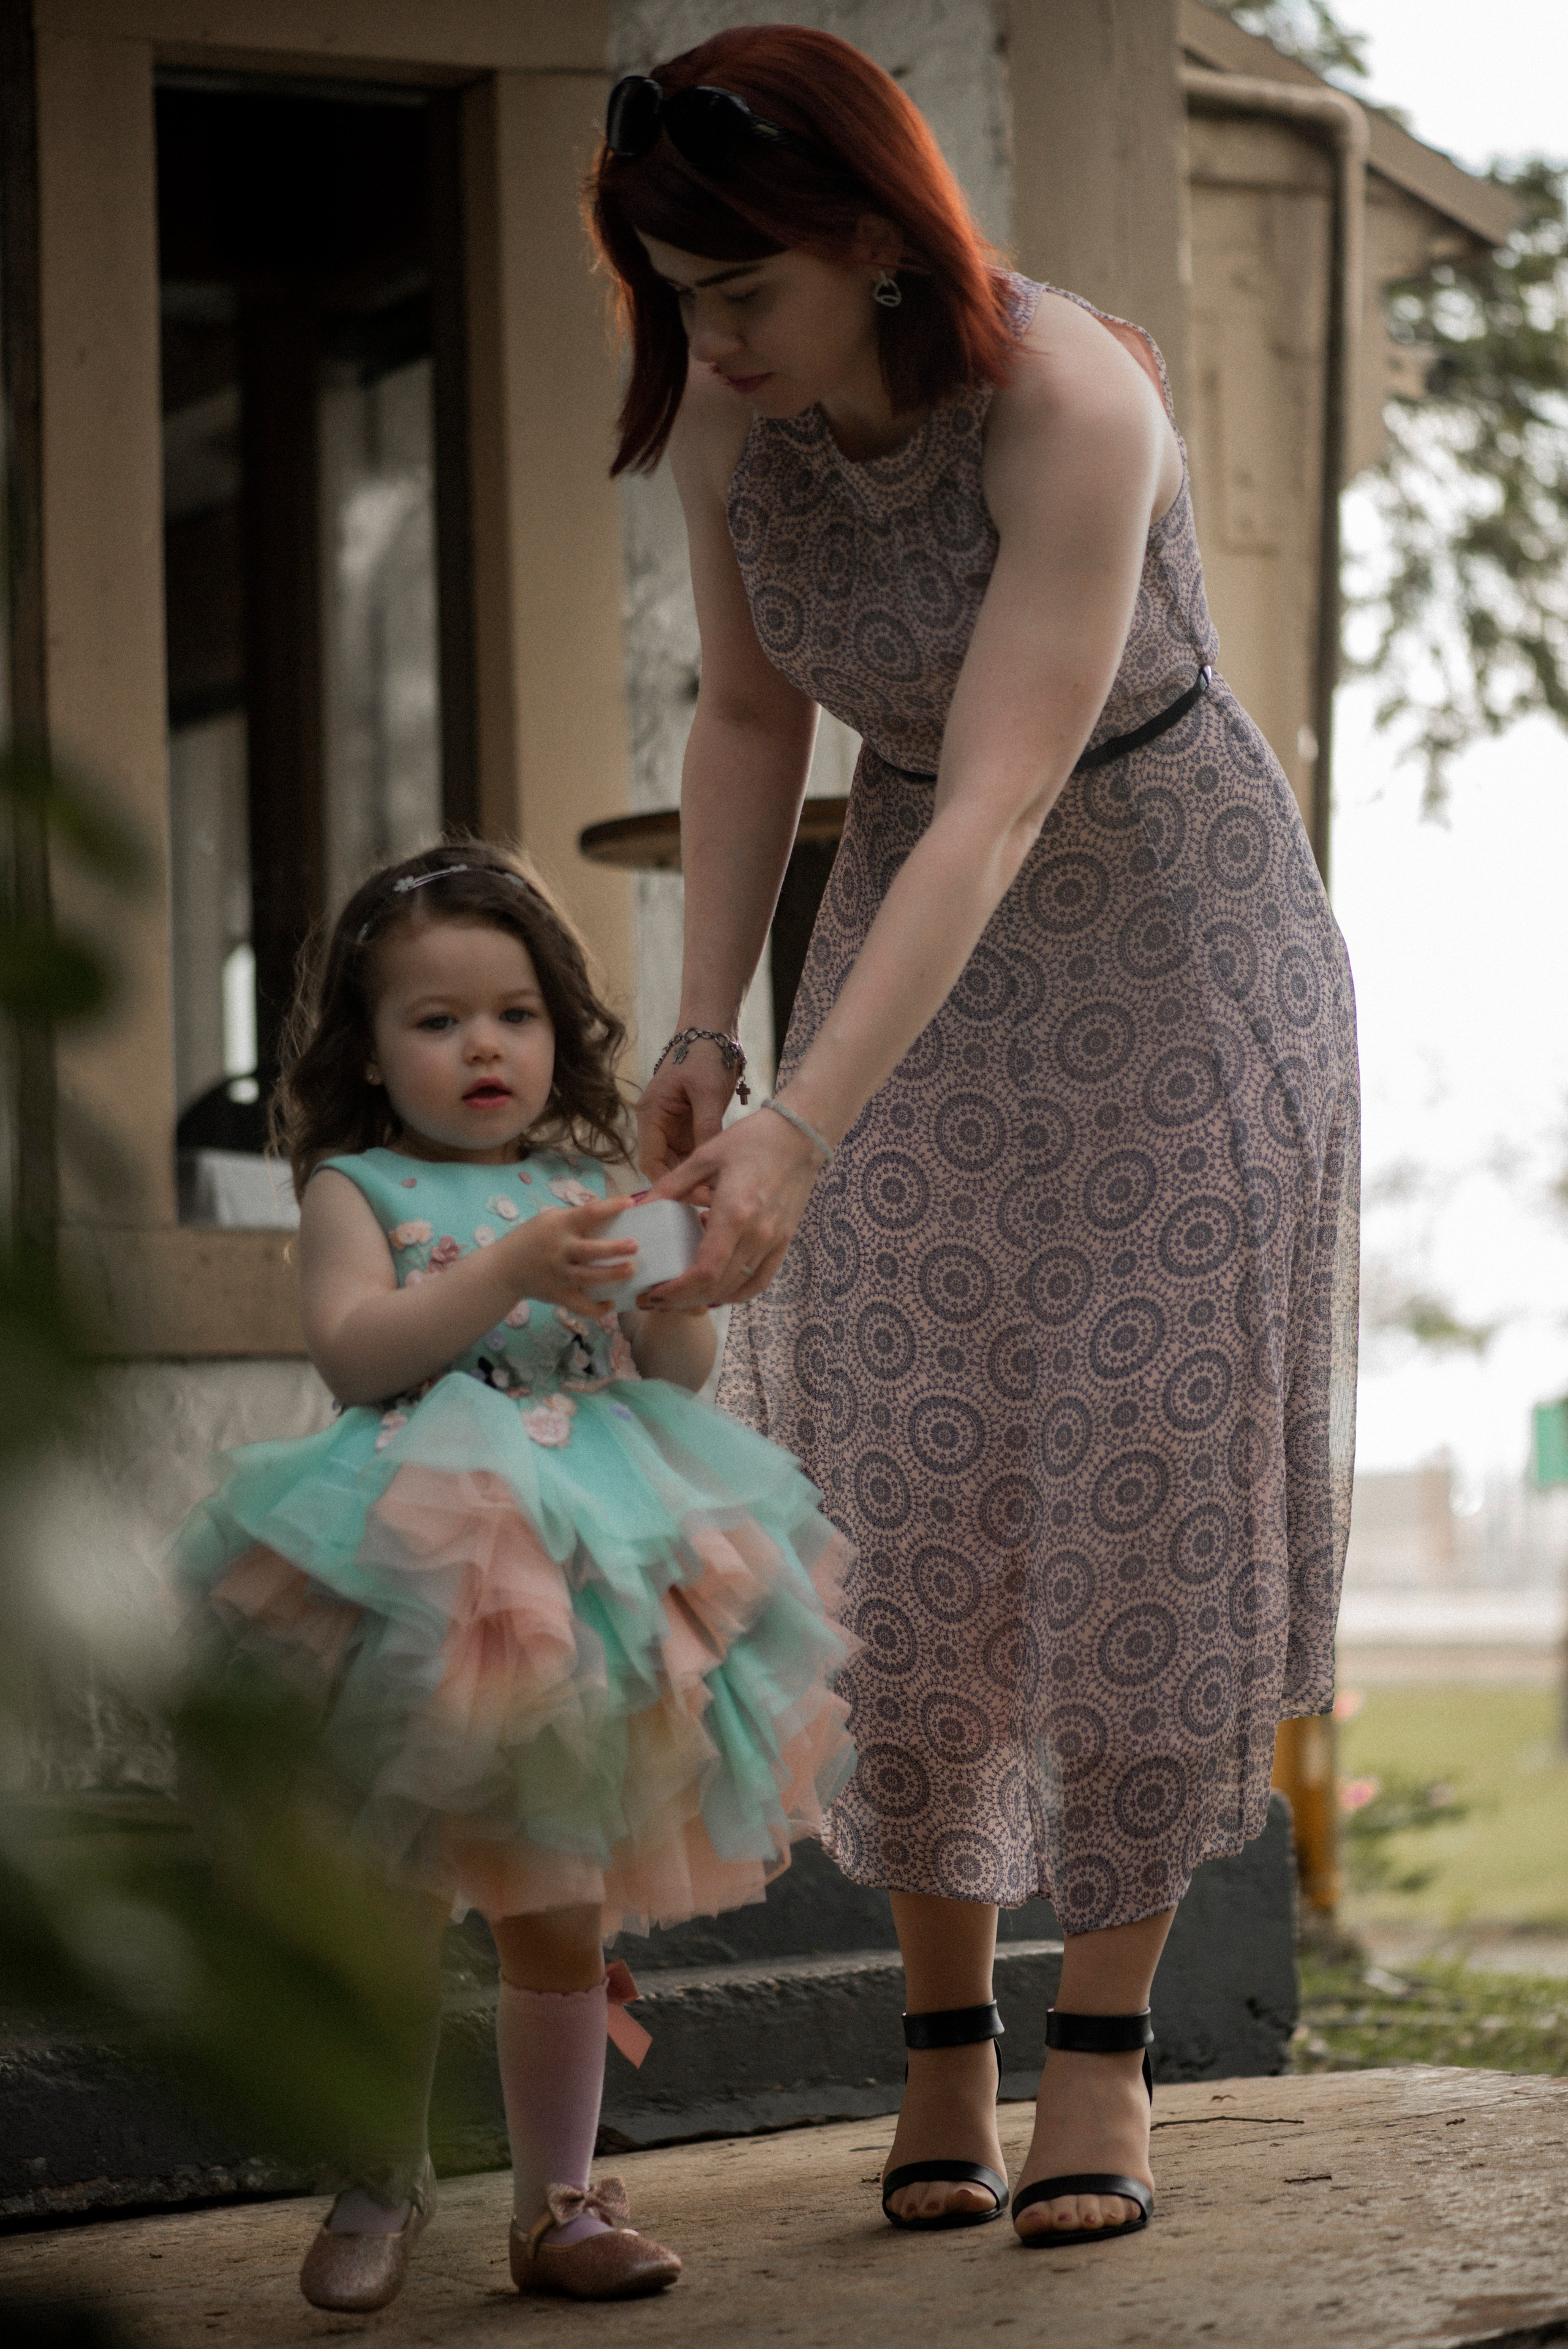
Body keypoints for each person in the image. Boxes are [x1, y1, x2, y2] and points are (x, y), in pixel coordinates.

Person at [590, 25, 1359, 2249]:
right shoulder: (740, 419)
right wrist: (714, 1033)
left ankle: (1102, 2057)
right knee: (905, 1471)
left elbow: (1013, 783)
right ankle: (939, 2045)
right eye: (676, 297)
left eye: (738, 294)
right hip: (905, 937)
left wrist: (811, 1122)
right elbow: (747, 715)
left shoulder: (1072, 399)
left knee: (1126, 1471)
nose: (708, 342)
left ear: (866, 238)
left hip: (1168, 953)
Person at [175, 843, 853, 2308]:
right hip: (412, 1568)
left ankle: (556, 2203)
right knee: (389, 1891)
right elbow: (357, 1353)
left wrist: (667, 1290)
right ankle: (378, 2170)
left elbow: (675, 1364)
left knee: (556, 1900)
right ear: (367, 1048)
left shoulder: (592, 1184)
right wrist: (508, 1272)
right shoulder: (357, 1187)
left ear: (560, 1032)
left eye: (515, 1014)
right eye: (435, 1019)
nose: (483, 1044)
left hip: (585, 1580)